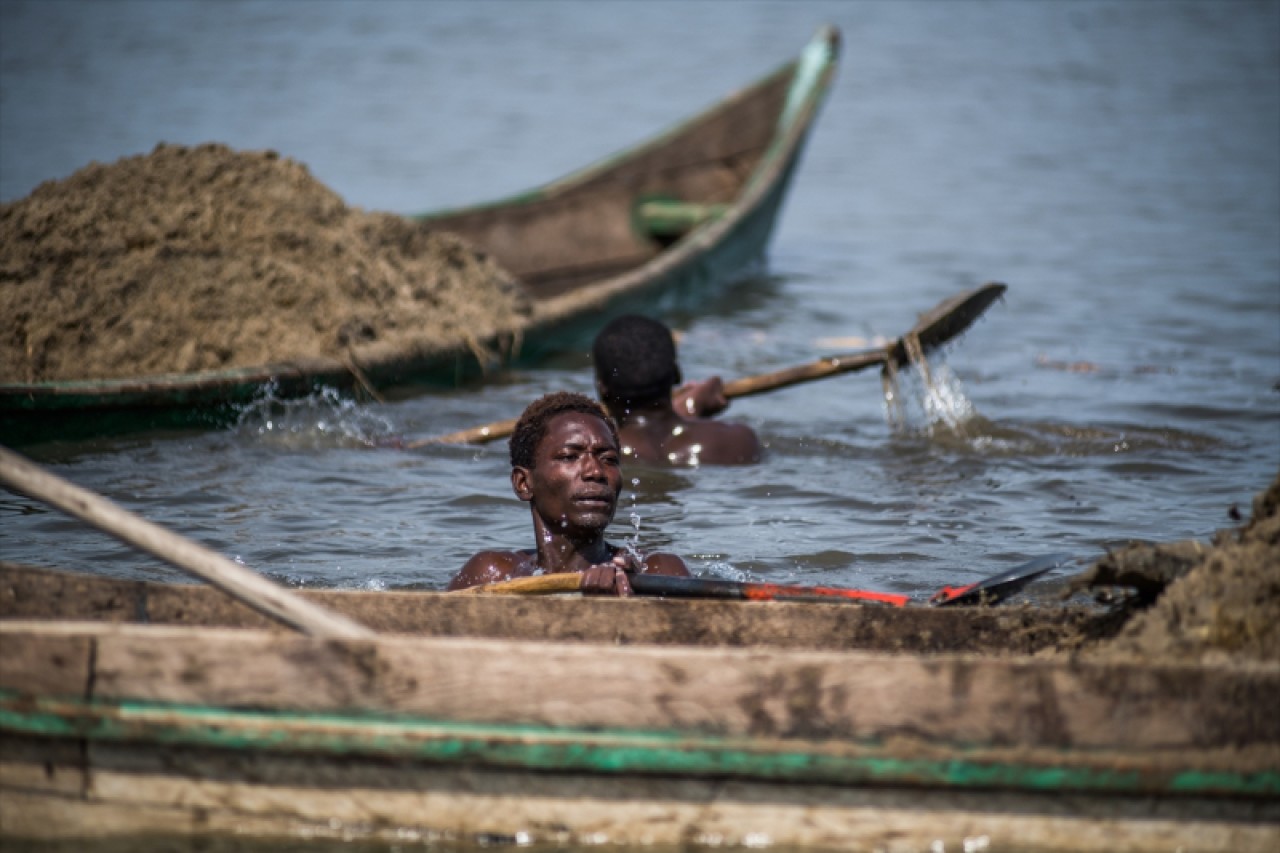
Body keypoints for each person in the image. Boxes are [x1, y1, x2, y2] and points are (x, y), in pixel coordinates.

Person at [447, 391, 690, 594]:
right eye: (569, 457)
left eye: (609, 459)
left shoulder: (657, 573)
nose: (595, 471)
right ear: (523, 483)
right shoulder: (493, 575)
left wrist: (628, 607)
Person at [591, 315, 762, 466]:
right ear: (677, 374)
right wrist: (690, 410)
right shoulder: (739, 441)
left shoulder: (595, 456)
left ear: (602, 388)